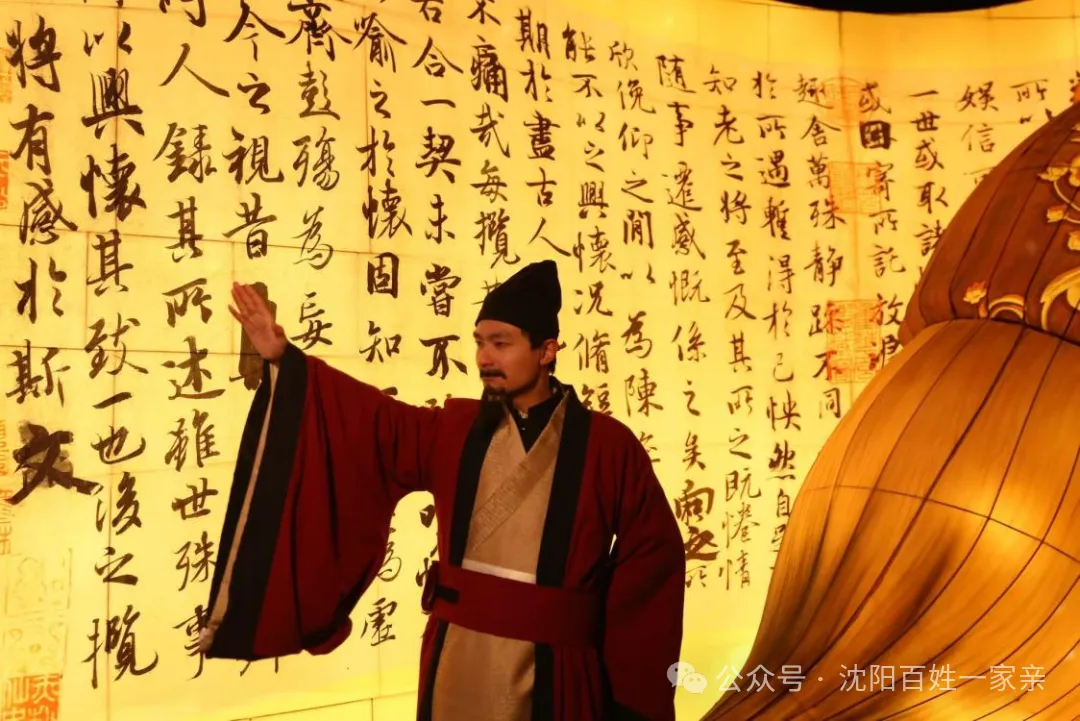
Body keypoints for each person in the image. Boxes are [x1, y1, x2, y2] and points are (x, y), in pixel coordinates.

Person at [199, 260, 686, 721]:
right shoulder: (455, 430)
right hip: (457, 658)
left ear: (546, 350)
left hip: (558, 670)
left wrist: (630, 691)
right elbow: (369, 423)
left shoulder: (607, 446)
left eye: (501, 343)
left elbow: (652, 556)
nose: (484, 358)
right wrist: (285, 359)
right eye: (480, 343)